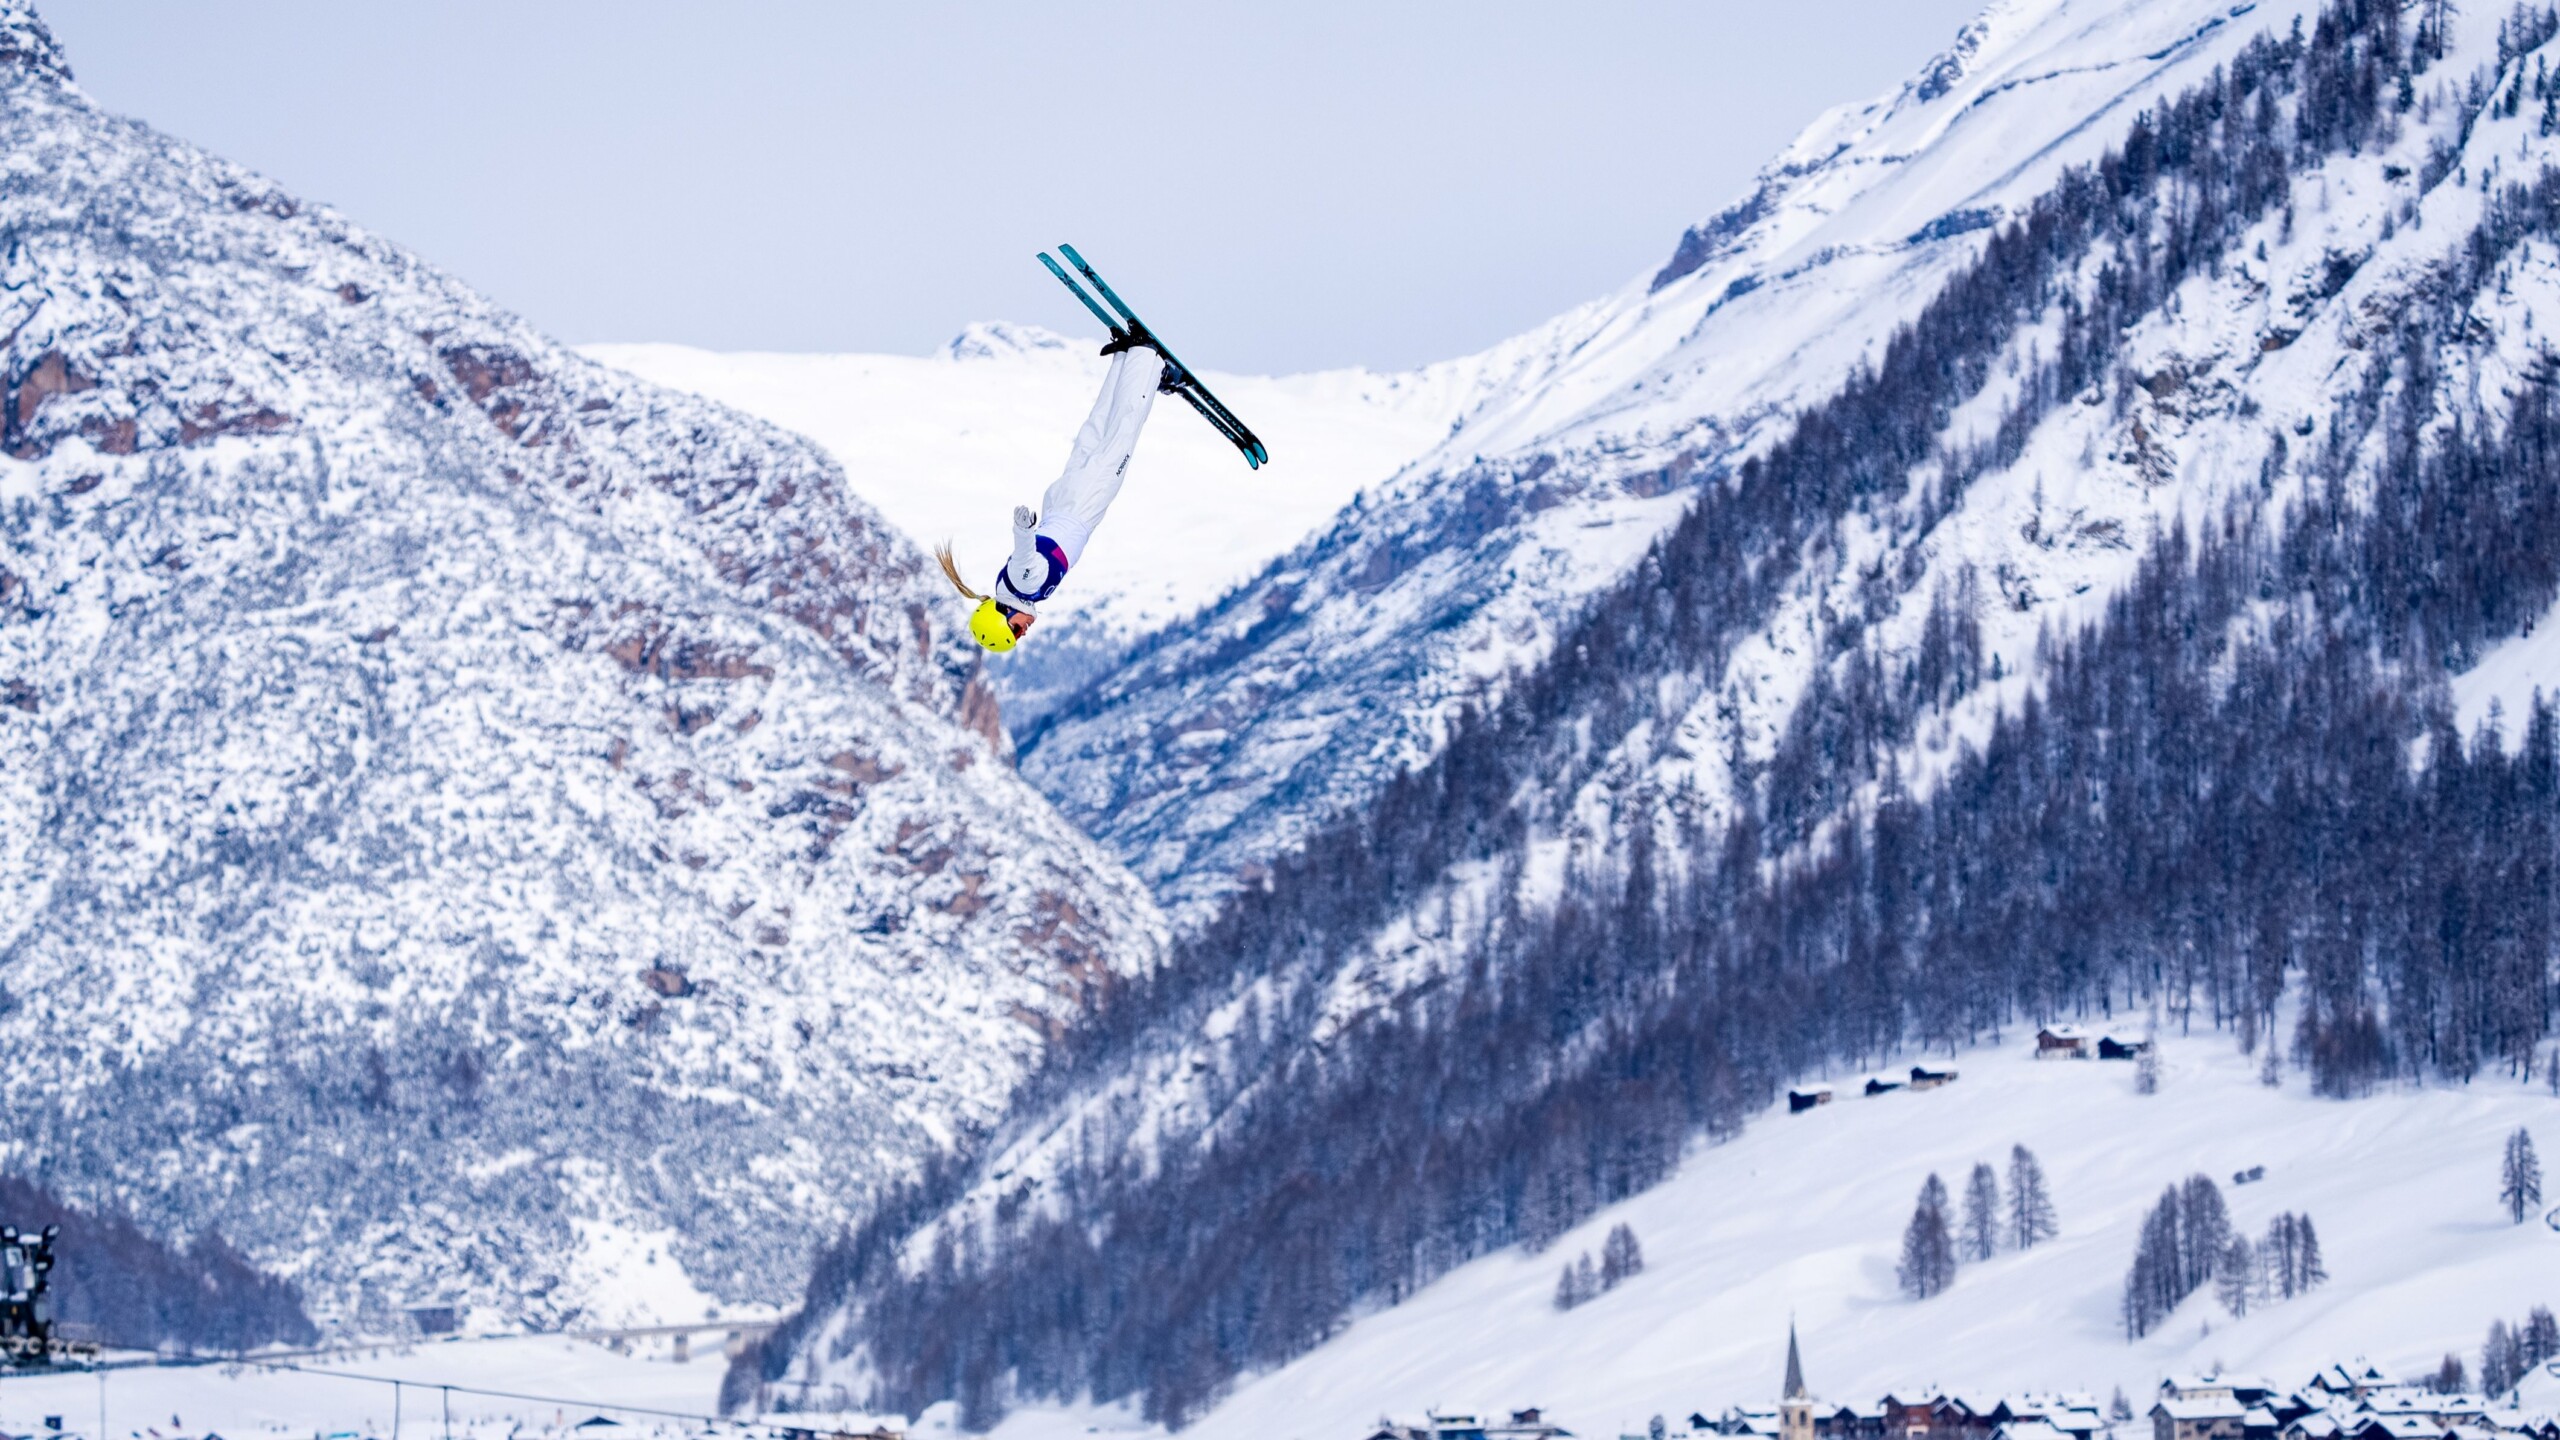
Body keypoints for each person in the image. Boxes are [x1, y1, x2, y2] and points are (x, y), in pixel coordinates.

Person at [938, 332, 1171, 651]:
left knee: (1122, 436)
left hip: (1080, 508)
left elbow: (1024, 553)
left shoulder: (1022, 586)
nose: (1024, 632)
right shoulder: (1012, 589)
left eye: (1015, 631)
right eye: (1018, 636)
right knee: (1096, 431)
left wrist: (1022, 529)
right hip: (1061, 505)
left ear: (1003, 615)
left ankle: (1146, 360)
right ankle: (1125, 359)